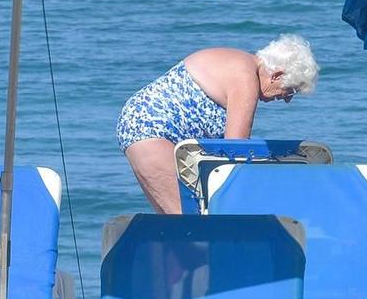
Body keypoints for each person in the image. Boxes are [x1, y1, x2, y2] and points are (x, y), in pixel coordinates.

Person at [116, 34, 319, 214]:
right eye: (291, 90)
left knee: (178, 223)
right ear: (277, 75)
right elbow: (235, 151)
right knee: (192, 226)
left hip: (142, 127)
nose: (287, 99)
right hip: (152, 130)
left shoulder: (239, 62)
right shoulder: (245, 80)